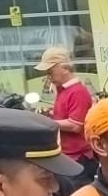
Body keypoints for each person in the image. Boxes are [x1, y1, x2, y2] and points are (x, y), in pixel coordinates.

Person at [36, 46, 96, 178]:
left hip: (79, 158)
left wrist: (47, 121)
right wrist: (50, 114)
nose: (48, 75)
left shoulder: (77, 91)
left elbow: (75, 125)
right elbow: (65, 117)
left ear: (64, 68)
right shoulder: (63, 90)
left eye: (50, 70)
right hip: (68, 156)